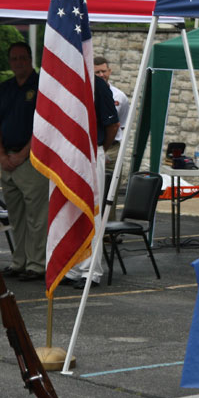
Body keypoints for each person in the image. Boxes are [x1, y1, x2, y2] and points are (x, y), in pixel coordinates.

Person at [0, 42, 49, 282]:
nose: (18, 63)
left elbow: (43, 129)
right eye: (14, 59)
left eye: (22, 58)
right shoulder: (5, 89)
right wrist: (3, 156)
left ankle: (37, 265)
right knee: (16, 217)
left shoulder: (42, 87)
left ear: (30, 58)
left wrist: (22, 155)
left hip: (31, 162)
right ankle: (19, 261)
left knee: (37, 217)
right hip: (8, 161)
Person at [60, 75, 120, 289]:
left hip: (91, 152)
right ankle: (74, 268)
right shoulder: (63, 76)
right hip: (67, 155)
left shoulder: (96, 84)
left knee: (90, 213)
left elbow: (112, 124)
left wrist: (99, 150)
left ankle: (90, 271)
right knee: (69, 214)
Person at [94, 55, 128, 221]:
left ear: (110, 71)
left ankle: (109, 230)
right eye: (97, 72)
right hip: (97, 146)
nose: (101, 75)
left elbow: (120, 124)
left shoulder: (119, 96)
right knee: (96, 190)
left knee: (111, 191)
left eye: (103, 71)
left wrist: (106, 148)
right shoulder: (91, 90)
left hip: (112, 146)